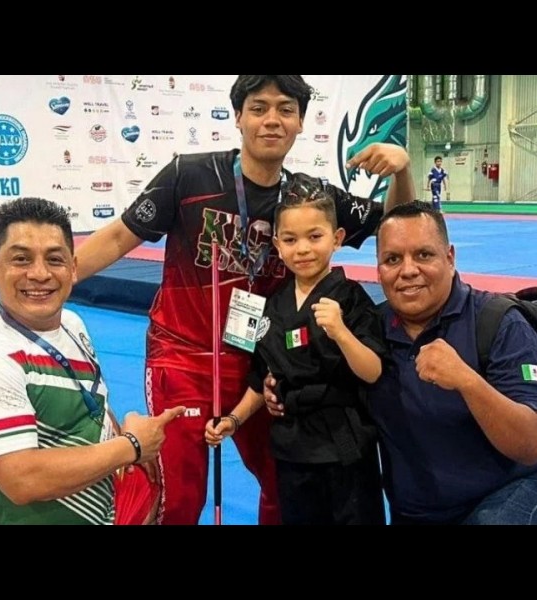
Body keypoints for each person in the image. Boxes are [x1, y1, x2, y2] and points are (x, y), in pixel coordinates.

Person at [74, 75, 415, 525]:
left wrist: (402, 171)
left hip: (264, 365)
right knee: (180, 497)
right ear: (238, 116)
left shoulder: (308, 198)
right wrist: (60, 279)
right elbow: (121, 236)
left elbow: (397, 222)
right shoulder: (189, 176)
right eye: (259, 108)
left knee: (284, 482)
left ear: (300, 122)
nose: (272, 119)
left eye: (285, 109)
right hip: (183, 358)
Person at [265, 200, 537, 525]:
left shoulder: (498, 323)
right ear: (378, 269)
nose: (408, 270)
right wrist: (278, 386)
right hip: (418, 511)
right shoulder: (366, 330)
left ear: (450, 258)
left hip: (509, 494)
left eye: (424, 255)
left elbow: (531, 446)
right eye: (392, 259)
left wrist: (468, 382)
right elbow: (326, 379)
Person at [0, 197, 186, 525]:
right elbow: (22, 480)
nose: (40, 274)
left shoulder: (71, 323)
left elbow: (93, 401)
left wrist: (121, 437)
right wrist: (132, 447)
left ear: (73, 267)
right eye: (21, 259)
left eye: (54, 259)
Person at [204, 175, 387, 525]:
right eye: (290, 239)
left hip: (344, 447)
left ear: (337, 238)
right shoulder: (273, 305)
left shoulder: (351, 297)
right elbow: (262, 377)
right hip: (292, 448)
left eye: (314, 237)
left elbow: (373, 371)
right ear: (277, 244)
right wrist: (233, 420)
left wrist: (342, 333)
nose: (302, 249)